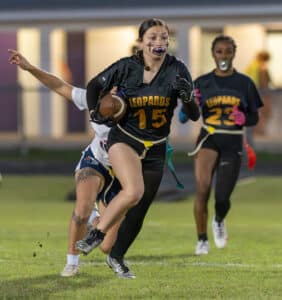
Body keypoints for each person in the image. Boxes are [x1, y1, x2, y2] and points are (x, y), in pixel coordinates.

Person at [76, 18, 200, 277]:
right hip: (125, 139)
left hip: (156, 147)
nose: (159, 42)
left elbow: (194, 114)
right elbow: (94, 86)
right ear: (141, 41)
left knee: (140, 210)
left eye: (164, 37)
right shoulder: (126, 67)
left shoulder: (178, 69)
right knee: (133, 191)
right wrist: (95, 111)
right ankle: (95, 234)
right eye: (153, 37)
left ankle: (117, 257)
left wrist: (187, 96)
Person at [8, 49, 122, 277]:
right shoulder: (93, 99)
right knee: (81, 209)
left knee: (106, 246)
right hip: (95, 161)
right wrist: (30, 68)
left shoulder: (134, 110)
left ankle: (96, 217)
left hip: (123, 172)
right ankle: (72, 261)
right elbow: (59, 85)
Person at [179, 35, 263, 255]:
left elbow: (254, 118)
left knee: (222, 197)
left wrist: (244, 119)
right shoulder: (202, 82)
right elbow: (182, 118)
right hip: (209, 139)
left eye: (227, 51)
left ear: (233, 53)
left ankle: (218, 219)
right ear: (213, 54)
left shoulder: (244, 83)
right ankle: (202, 240)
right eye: (219, 51)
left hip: (233, 141)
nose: (223, 55)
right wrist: (192, 104)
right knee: (202, 189)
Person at [245, 51, 272, 136]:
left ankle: (256, 131)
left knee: (257, 112)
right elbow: (264, 82)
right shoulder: (261, 67)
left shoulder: (251, 65)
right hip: (260, 93)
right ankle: (259, 131)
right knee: (263, 112)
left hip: (251, 93)